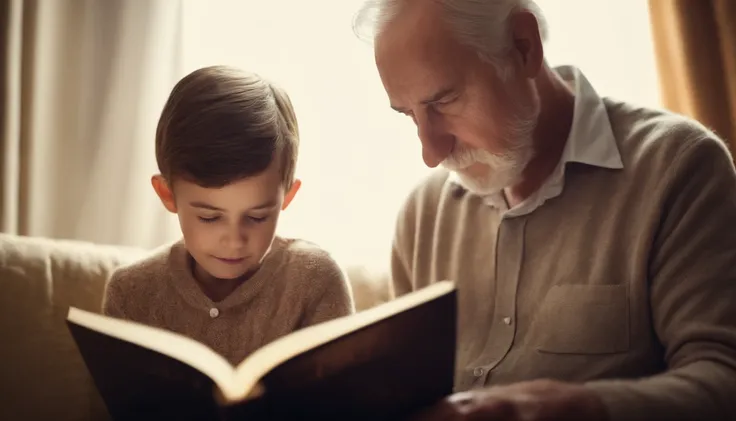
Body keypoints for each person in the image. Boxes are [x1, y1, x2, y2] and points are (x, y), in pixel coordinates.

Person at [354, 0, 736, 420]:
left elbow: (724, 379)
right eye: (410, 115)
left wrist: (575, 407)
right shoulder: (421, 216)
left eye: (444, 101)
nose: (430, 153)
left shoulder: (678, 167)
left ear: (523, 47)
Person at [102, 65, 355, 365]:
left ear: (287, 196)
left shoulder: (315, 282)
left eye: (258, 217)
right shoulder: (131, 294)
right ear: (167, 194)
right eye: (210, 218)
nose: (234, 242)